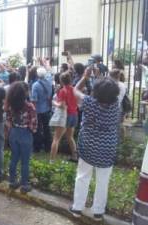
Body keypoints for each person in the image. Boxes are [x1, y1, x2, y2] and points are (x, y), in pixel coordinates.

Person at [69, 72, 121, 222]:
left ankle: (77, 208)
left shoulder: (89, 103)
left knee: (83, 177)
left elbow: (74, 91)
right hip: (107, 149)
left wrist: (84, 78)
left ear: (96, 91)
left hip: (88, 146)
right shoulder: (115, 105)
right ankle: (98, 212)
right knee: (103, 181)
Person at [5, 82, 37, 193]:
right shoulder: (29, 106)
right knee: (25, 161)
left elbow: (8, 120)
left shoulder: (10, 105)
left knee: (14, 158)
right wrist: (32, 131)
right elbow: (33, 123)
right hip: (25, 134)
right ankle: (24, 184)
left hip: (13, 132)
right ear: (25, 93)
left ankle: (12, 181)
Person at [50, 72, 78, 161]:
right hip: (74, 114)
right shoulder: (74, 89)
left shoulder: (63, 91)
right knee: (70, 137)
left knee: (56, 139)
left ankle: (52, 160)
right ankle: (75, 156)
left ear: (61, 81)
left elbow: (62, 105)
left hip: (65, 115)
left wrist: (54, 103)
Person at [31, 67, 52, 153]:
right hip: (47, 109)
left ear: (37, 75)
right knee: (47, 128)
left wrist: (33, 111)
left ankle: (37, 147)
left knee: (38, 129)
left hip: (38, 110)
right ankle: (48, 147)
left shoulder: (35, 85)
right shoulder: (49, 82)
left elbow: (34, 100)